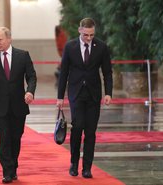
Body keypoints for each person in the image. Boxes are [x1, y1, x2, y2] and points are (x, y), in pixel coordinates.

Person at [56, 18, 113, 178]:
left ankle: (87, 167)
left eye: (92, 35)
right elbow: (64, 73)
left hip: (94, 94)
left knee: (90, 131)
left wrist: (108, 93)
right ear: (80, 30)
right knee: (77, 127)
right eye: (86, 35)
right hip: (76, 93)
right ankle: (74, 163)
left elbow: (107, 72)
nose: (89, 38)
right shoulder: (70, 46)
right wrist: (60, 97)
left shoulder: (101, 46)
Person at [0, 27, 37, 184]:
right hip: (0, 106)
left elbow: (31, 76)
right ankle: (7, 171)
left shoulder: (22, 55)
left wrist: (30, 92)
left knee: (15, 137)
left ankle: (13, 167)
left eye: (0, 40)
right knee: (4, 138)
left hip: (19, 105)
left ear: (9, 39)